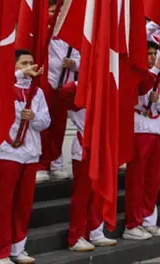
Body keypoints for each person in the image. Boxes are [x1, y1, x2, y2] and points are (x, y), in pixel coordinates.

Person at [0, 49, 50, 264]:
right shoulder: (4, 86)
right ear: (13, 66)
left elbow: (46, 121)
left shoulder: (38, 92)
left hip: (31, 153)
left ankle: (17, 248)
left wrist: (33, 117)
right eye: (23, 63)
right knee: (3, 204)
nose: (29, 67)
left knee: (23, 205)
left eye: (31, 63)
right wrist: (18, 75)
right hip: (7, 152)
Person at [61, 60, 114, 253]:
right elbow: (65, 92)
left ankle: (95, 231)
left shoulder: (102, 92)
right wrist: (83, 81)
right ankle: (76, 236)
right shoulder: (78, 94)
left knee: (98, 192)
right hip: (84, 146)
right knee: (82, 195)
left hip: (101, 148)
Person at [123, 43, 160, 241]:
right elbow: (137, 91)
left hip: (157, 129)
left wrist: (158, 100)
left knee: (153, 180)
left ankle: (148, 220)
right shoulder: (137, 74)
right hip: (139, 128)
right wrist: (155, 69)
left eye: (154, 54)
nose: (152, 57)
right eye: (148, 54)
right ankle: (132, 223)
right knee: (137, 179)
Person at [41, 30, 76, 183]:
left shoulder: (70, 37)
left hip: (64, 85)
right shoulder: (43, 34)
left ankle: (55, 163)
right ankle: (41, 165)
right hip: (45, 84)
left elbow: (80, 58)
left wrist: (74, 64)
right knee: (43, 125)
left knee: (59, 126)